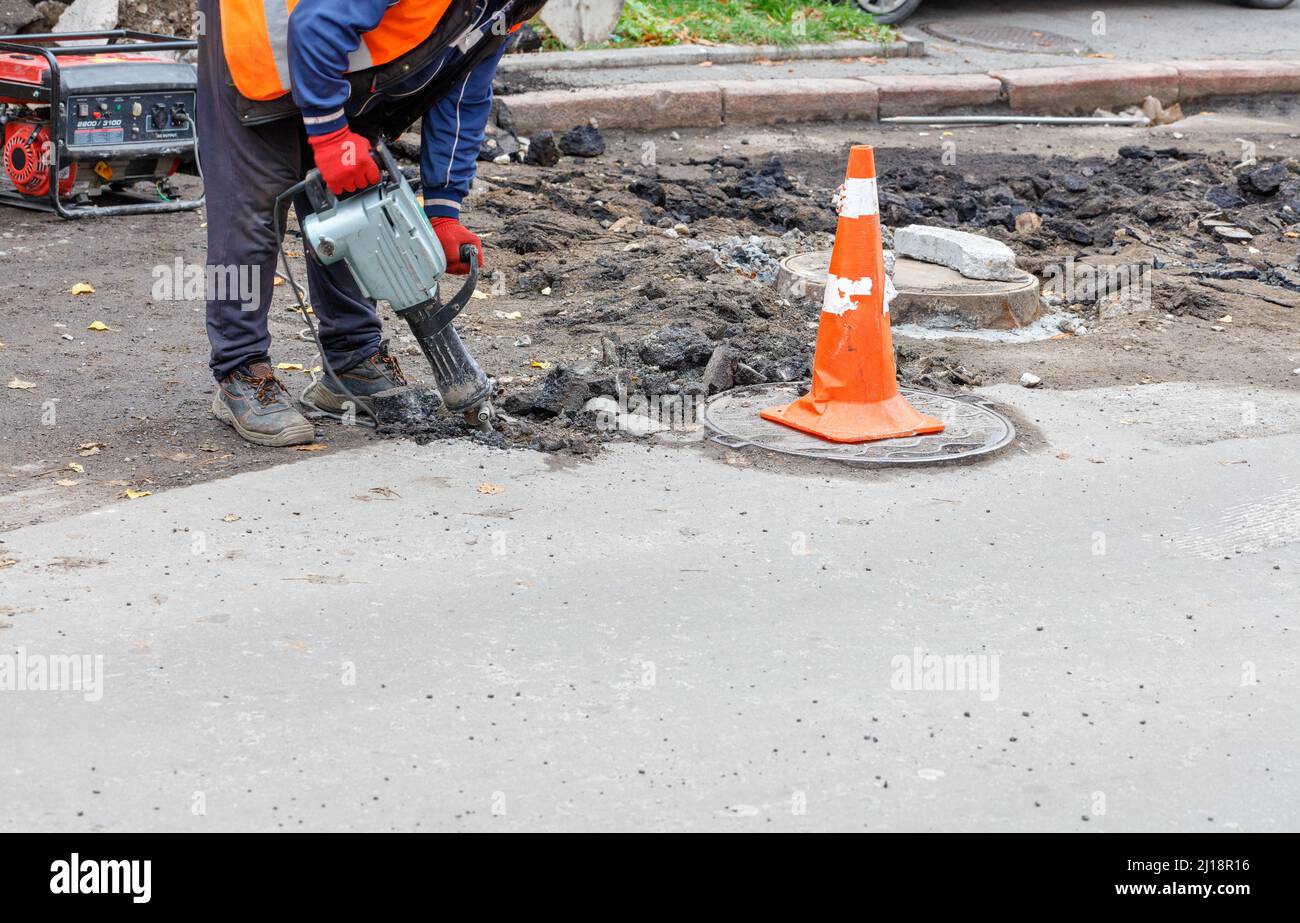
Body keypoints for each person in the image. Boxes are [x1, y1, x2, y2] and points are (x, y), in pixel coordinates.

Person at [197, 0, 545, 446]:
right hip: (258, 44)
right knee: (250, 210)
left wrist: (443, 208)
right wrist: (330, 136)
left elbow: (464, 86)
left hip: (343, 61)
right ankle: (240, 370)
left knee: (357, 201)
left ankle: (353, 359)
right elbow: (315, 24)